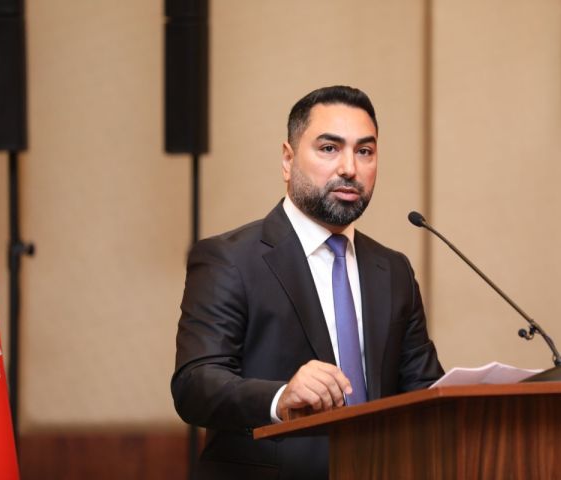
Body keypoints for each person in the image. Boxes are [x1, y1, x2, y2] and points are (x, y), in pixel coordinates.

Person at [172, 85, 443, 479]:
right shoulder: (229, 258)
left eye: (365, 151)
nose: (349, 168)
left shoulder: (393, 269)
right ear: (288, 159)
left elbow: (424, 390)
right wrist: (280, 397)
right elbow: (195, 385)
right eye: (329, 148)